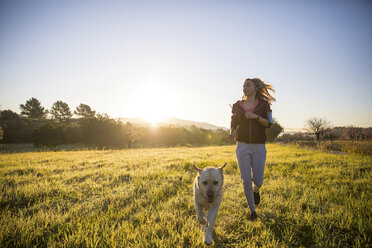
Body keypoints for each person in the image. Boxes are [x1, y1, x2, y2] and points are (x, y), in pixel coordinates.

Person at [228, 78, 275, 221]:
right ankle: (252, 211)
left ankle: (256, 190)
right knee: (246, 180)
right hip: (242, 145)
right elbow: (233, 122)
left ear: (255, 88)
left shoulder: (264, 105)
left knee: (258, 180)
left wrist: (255, 117)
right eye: (243, 85)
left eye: (248, 85)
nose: (244, 87)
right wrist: (231, 132)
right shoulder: (237, 105)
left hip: (259, 146)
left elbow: (269, 123)